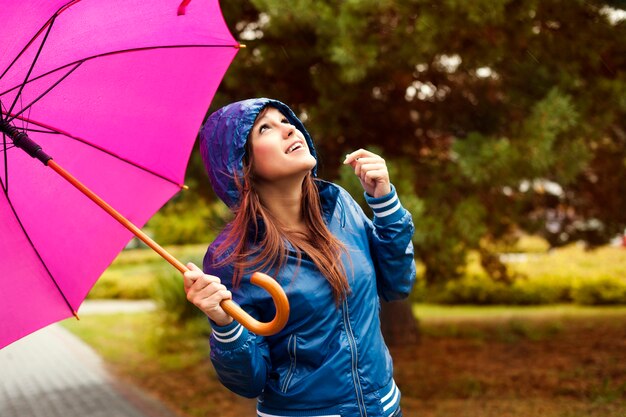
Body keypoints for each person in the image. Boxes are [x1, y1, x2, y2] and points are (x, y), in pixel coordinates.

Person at [183, 98, 415, 417]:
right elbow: (249, 381)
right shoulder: (232, 257)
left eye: (287, 121)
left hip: (384, 408)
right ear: (240, 163)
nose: (290, 128)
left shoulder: (338, 207)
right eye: (266, 127)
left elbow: (397, 284)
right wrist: (224, 326)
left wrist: (385, 204)